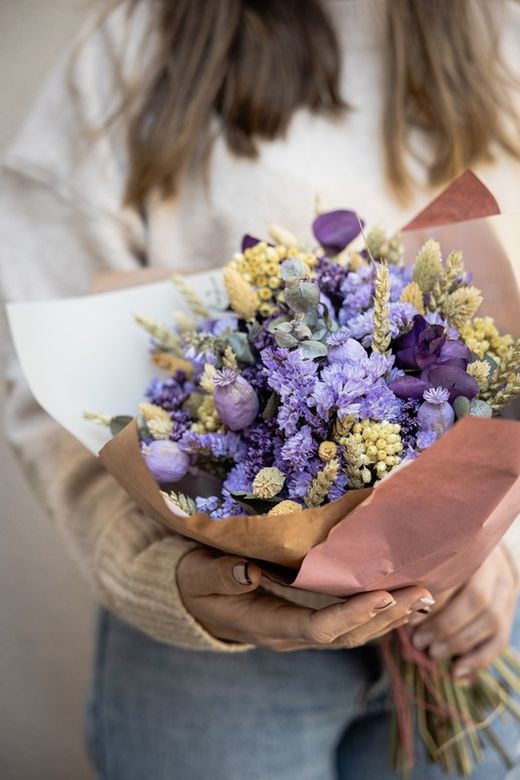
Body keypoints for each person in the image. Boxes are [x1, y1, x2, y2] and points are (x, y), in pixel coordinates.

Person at [1, 1, 520, 778]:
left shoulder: (503, 32)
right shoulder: (137, 46)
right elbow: (42, 366)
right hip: (214, 672)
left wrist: (499, 544)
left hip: (478, 625)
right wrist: (168, 578)